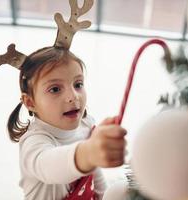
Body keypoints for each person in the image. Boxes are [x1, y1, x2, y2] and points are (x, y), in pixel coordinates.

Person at [8, 47, 126, 200]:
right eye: (55, 89)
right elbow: (49, 166)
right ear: (30, 102)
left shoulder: (86, 125)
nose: (73, 96)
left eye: (78, 84)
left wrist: (104, 195)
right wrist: (88, 153)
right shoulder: (34, 141)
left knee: (120, 190)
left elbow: (94, 174)